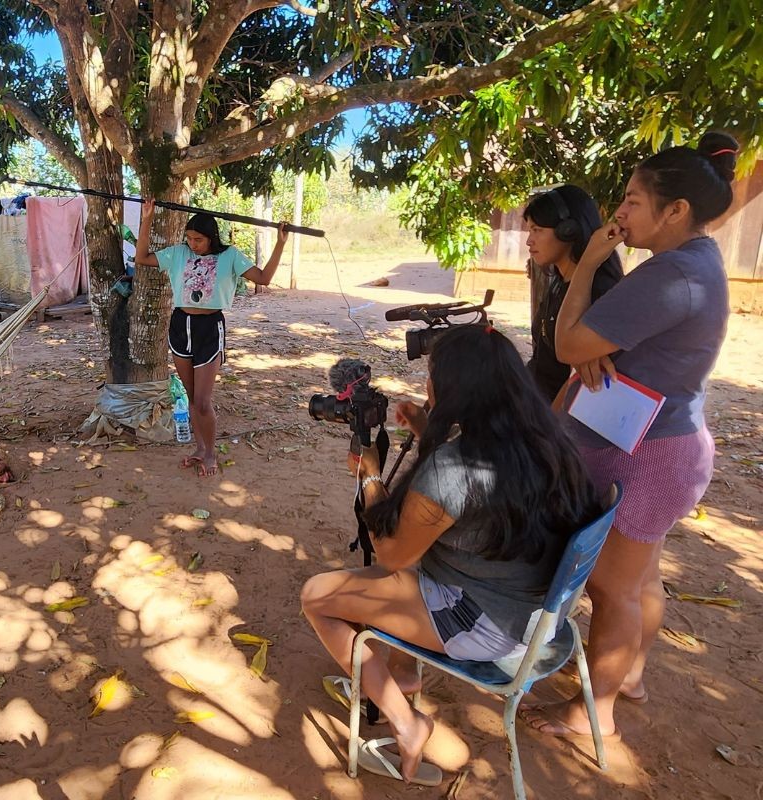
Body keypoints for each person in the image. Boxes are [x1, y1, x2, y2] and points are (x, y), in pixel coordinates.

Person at [301, 324, 600, 785]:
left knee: (318, 596)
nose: (426, 386)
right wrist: (427, 432)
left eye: (433, 376)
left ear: (458, 388)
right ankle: (400, 677)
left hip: (488, 629)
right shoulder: (545, 441)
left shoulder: (453, 469)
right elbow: (469, 498)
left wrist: (370, 476)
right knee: (416, 566)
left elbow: (392, 553)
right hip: (541, 617)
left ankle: (407, 722)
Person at [522, 133, 736, 740]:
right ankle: (631, 679)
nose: (620, 211)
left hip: (649, 452)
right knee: (641, 579)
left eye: (634, 199)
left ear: (676, 212)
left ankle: (595, 717)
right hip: (663, 444)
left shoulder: (674, 274)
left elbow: (569, 348)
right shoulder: (691, 265)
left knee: (611, 587)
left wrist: (588, 263)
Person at [134, 200, 289, 476]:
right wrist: (146, 219)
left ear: (211, 238)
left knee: (204, 401)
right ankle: (198, 448)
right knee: (192, 398)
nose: (193, 244)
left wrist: (280, 243)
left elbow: (264, 278)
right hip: (181, 325)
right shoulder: (178, 253)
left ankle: (210, 453)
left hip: (209, 327)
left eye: (199, 240)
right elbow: (142, 257)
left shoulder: (230, 255)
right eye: (190, 239)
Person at [523, 185, 623, 401]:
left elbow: (578, 382)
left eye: (537, 230)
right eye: (529, 230)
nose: (529, 241)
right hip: (533, 406)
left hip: (552, 420)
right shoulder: (559, 284)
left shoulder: (599, 291)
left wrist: (546, 429)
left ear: (568, 230)